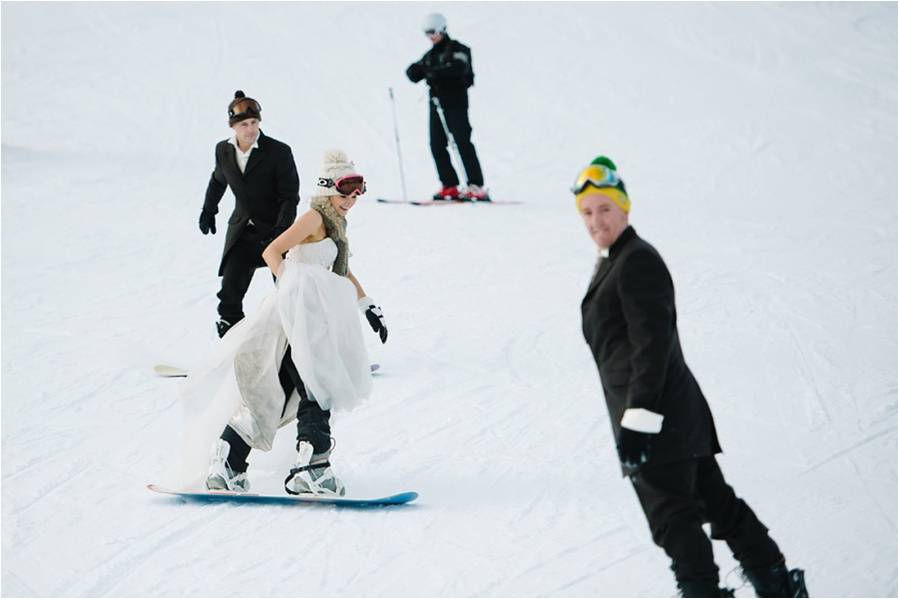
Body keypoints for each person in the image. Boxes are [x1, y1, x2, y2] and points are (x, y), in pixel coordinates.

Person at [575, 156, 809, 598]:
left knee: (672, 519)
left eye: (605, 208)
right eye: (587, 212)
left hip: (655, 416)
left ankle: (705, 591)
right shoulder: (617, 259)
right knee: (715, 502)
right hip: (673, 412)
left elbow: (653, 345)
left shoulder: (636, 261)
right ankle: (778, 585)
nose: (596, 220)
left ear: (625, 208)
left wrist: (639, 419)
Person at [182, 149, 389, 496]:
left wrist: (367, 303)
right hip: (296, 318)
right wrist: (291, 289)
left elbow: (340, 267)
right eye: (343, 195)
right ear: (326, 190)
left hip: (312, 320)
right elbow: (271, 252)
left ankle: (228, 463)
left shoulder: (335, 223)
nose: (349, 202)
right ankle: (313, 469)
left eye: (354, 196)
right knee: (317, 387)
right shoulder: (313, 218)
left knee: (277, 390)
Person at [200, 90, 301, 338]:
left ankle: (297, 347)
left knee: (288, 293)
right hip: (243, 232)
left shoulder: (278, 152)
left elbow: (289, 197)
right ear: (232, 126)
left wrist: (281, 233)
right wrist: (208, 210)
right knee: (229, 293)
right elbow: (217, 180)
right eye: (244, 124)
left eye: (254, 123)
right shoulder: (223, 151)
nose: (250, 129)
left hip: (277, 233)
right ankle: (234, 346)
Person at [406, 13, 489, 202]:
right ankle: (449, 185)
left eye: (433, 32)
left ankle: (475, 185)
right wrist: (415, 71)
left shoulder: (459, 49)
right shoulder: (431, 55)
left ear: (442, 29)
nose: (430, 36)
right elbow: (414, 73)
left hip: (456, 103)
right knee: (436, 144)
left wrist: (433, 73)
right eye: (426, 33)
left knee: (462, 142)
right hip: (437, 105)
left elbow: (458, 69)